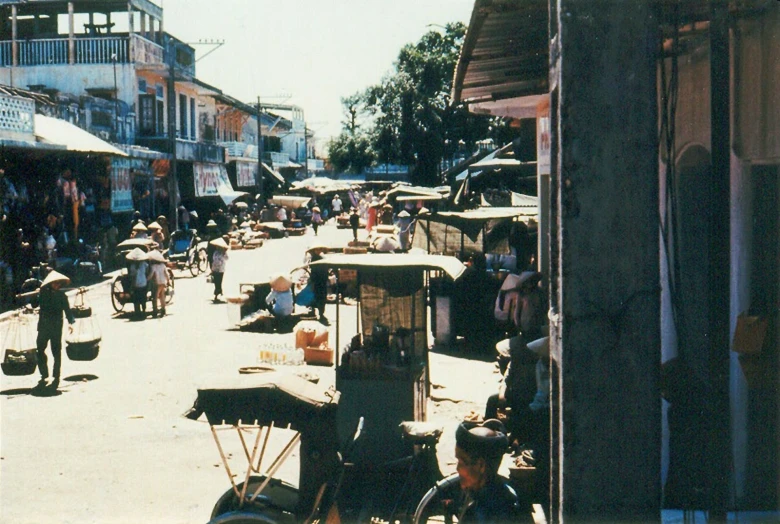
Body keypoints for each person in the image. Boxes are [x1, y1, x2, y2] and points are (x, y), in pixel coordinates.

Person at [454, 419, 521, 522]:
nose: (457, 468)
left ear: (481, 466)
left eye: (462, 462)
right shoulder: (474, 490)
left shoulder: (498, 512)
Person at [34, 270, 75, 390]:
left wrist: (71, 322)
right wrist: (36, 295)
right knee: (40, 350)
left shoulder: (62, 296)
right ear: (50, 284)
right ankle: (44, 374)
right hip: (43, 327)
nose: (57, 285)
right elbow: (34, 305)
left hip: (56, 328)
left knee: (56, 352)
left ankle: (56, 376)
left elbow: (68, 311)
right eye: (54, 283)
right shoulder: (42, 294)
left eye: (58, 283)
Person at [308, 245, 329, 324]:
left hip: (322, 281)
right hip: (317, 281)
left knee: (321, 297)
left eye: (319, 249)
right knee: (318, 297)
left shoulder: (321, 258)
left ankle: (320, 313)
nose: (318, 250)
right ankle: (317, 312)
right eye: (317, 249)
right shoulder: (314, 259)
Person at [127, 248, 149, 319]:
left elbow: (133, 277)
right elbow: (147, 270)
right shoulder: (144, 264)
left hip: (136, 284)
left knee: (136, 299)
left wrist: (132, 287)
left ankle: (137, 313)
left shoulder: (132, 266)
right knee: (143, 298)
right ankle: (143, 311)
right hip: (143, 283)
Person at [147, 250, 168, 317]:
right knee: (162, 297)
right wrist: (168, 281)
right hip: (163, 282)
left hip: (157, 283)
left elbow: (151, 275)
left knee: (155, 297)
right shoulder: (163, 265)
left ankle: (155, 311)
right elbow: (166, 274)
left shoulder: (153, 267)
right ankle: (163, 309)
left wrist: (146, 279)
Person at [209, 237, 229, 302]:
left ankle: (218, 293)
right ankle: (217, 293)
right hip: (215, 269)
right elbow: (213, 259)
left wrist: (224, 252)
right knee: (216, 282)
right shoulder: (215, 252)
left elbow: (227, 258)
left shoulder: (223, 253)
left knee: (219, 281)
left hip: (220, 269)